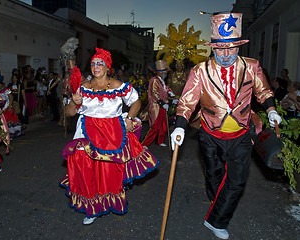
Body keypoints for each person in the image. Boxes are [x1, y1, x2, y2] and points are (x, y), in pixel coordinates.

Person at [170, 13, 282, 239]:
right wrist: (180, 126)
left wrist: (271, 110)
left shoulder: (251, 66)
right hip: (209, 134)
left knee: (237, 181)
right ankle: (218, 204)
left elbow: (264, 91)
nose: (225, 54)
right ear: (213, 48)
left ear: (239, 46)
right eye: (220, 48)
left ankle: (216, 219)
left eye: (230, 48)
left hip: (241, 134)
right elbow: (187, 102)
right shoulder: (200, 71)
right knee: (214, 176)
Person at [59, 48, 159, 225]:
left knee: (107, 171)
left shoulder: (118, 85)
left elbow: (136, 101)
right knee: (85, 167)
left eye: (100, 63)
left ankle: (107, 201)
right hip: (85, 132)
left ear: (107, 66)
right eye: (93, 64)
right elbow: (69, 113)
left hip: (111, 134)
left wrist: (129, 118)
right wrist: (74, 103)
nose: (96, 67)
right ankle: (92, 208)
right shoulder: (82, 87)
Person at [142, 60, 176, 148]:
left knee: (164, 125)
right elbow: (154, 94)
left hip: (162, 106)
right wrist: (162, 103)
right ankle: (145, 143)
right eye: (164, 72)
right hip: (156, 106)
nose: (165, 74)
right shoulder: (154, 80)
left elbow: (164, 93)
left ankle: (160, 141)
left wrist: (171, 100)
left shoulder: (161, 81)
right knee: (155, 126)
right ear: (160, 72)